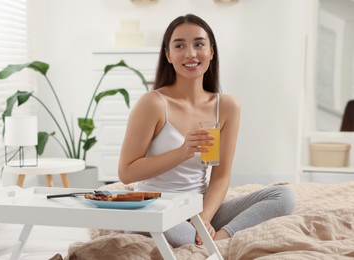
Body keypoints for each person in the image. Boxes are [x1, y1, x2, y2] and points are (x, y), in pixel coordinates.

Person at [118, 14, 295, 247]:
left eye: (199, 44)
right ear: (169, 55)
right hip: (155, 208)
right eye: (180, 45)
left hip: (198, 208)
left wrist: (203, 219)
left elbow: (221, 177)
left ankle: (219, 240)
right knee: (164, 225)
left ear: (211, 51)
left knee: (283, 197)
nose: (190, 53)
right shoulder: (153, 103)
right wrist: (183, 151)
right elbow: (126, 173)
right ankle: (208, 244)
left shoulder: (227, 107)